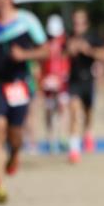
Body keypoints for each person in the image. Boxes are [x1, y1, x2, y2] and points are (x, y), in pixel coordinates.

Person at [0, 0, 50, 203]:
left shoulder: (27, 21)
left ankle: (15, 154)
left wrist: (25, 55)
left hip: (18, 85)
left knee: (15, 135)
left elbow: (46, 50)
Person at [65, 9, 104, 163]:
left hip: (88, 80)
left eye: (80, 22)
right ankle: (74, 149)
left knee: (88, 113)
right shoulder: (69, 37)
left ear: (86, 23)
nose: (77, 25)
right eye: (75, 22)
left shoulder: (93, 38)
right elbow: (61, 54)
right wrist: (69, 50)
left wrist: (88, 50)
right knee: (74, 112)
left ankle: (88, 133)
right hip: (74, 81)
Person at [40, 14, 71, 154]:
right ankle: (51, 139)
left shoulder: (65, 41)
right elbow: (41, 62)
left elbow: (67, 59)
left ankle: (63, 137)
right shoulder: (44, 42)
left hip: (62, 80)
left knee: (63, 108)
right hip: (47, 80)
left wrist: (64, 75)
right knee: (49, 110)